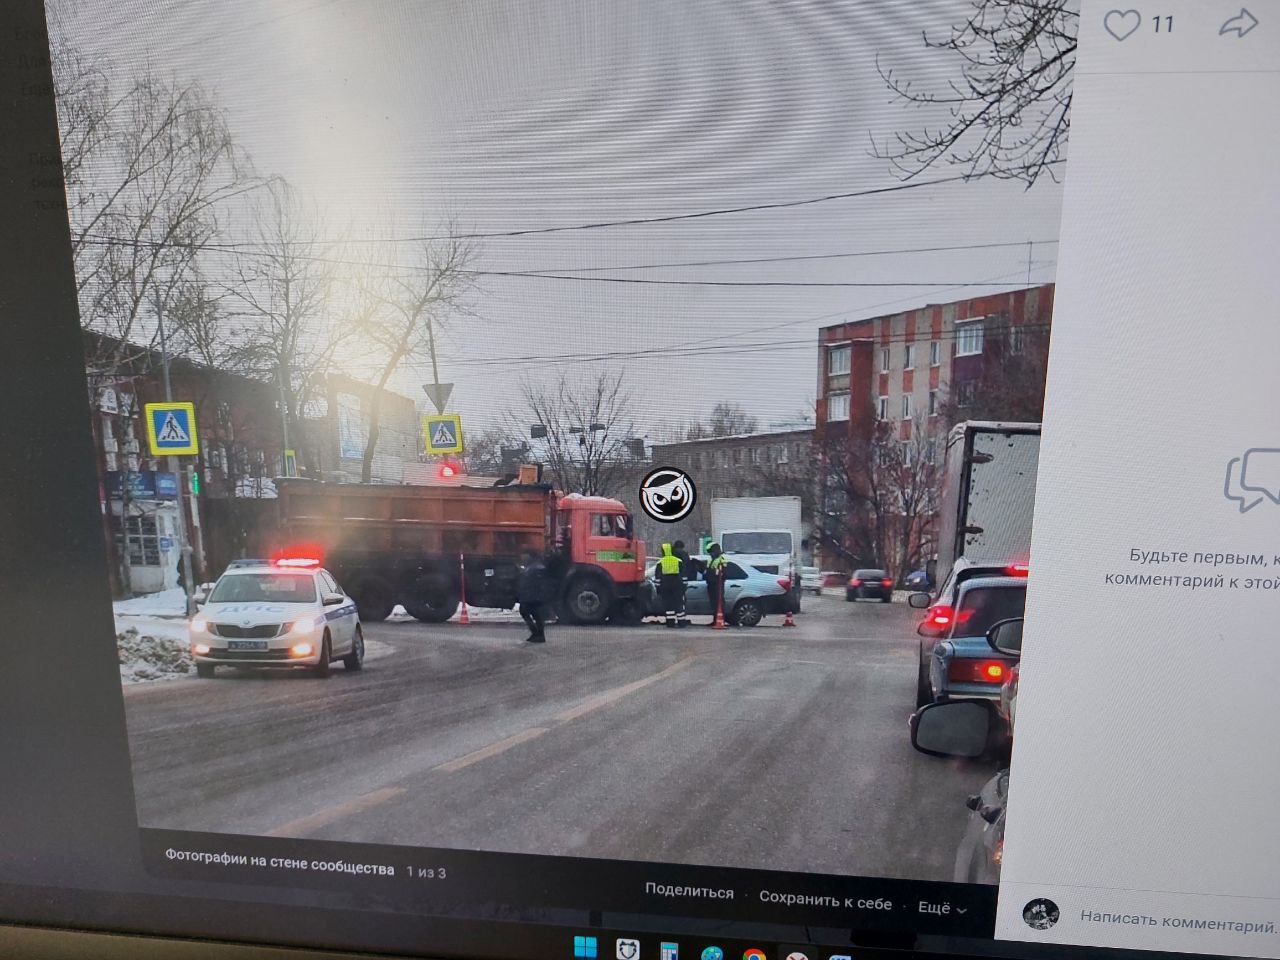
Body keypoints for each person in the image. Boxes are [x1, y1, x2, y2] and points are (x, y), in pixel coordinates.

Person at [516, 548, 566, 643]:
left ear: (530, 556)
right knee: (536, 615)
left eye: (524, 555)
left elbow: (532, 583)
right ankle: (538, 635)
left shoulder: (536, 568)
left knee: (529, 613)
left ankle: (537, 634)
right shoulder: (535, 567)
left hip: (533, 597)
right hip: (534, 597)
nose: (522, 558)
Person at [655, 542, 687, 627]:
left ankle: (670, 622)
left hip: (665, 586)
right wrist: (684, 586)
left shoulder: (660, 562)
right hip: (677, 585)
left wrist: (658, 588)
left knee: (668, 604)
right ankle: (682, 622)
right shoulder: (678, 561)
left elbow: (657, 578)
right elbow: (684, 575)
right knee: (679, 603)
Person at [704, 541, 728, 626]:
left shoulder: (722, 559)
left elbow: (723, 573)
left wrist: (713, 572)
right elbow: (707, 570)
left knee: (719, 602)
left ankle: (721, 620)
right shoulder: (710, 559)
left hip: (718, 584)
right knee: (713, 603)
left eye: (711, 552)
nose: (710, 554)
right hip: (711, 583)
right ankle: (715, 620)